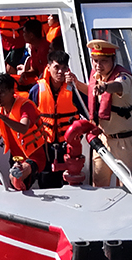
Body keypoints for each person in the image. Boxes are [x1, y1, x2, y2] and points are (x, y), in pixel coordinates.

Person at [76, 38, 132, 187]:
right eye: (95, 60)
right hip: (103, 138)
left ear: (113, 60)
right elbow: (93, 92)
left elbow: (117, 86)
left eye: (103, 61)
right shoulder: (96, 75)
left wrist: (105, 87)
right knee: (98, 181)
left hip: (125, 141)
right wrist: (76, 83)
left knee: (126, 184)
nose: (98, 65)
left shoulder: (124, 78)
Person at [28, 49, 89, 185]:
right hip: (45, 146)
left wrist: (76, 84)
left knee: (69, 182)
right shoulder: (37, 90)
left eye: (64, 68)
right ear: (48, 68)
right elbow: (27, 114)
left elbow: (89, 112)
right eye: (56, 67)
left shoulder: (73, 90)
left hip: (68, 147)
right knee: (46, 182)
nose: (60, 72)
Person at [16, 18, 50, 83]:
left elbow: (48, 72)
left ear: (31, 35)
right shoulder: (34, 48)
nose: (23, 35)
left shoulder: (45, 49)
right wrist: (25, 74)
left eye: (24, 32)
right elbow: (35, 69)